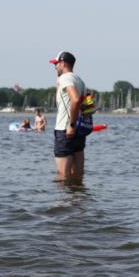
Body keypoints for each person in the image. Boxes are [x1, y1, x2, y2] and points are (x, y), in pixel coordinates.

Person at [50, 51, 87, 181]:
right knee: (77, 175)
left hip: (65, 129)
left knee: (62, 176)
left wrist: (70, 125)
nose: (55, 67)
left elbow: (75, 100)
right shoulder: (80, 81)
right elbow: (87, 106)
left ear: (63, 63)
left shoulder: (65, 78)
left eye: (56, 64)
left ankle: (63, 201)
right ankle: (76, 199)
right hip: (79, 131)